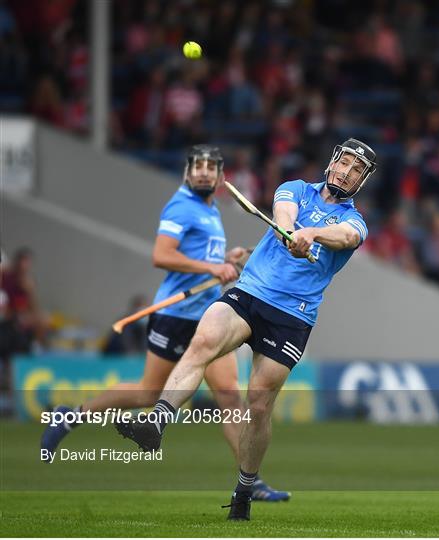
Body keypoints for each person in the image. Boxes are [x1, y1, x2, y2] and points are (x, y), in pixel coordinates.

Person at [116, 138, 377, 520]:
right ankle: (157, 420)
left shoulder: (355, 221)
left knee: (258, 405)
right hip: (250, 294)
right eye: (346, 163)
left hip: (292, 316)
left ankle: (244, 488)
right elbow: (283, 214)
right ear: (333, 162)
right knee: (202, 342)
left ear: (362, 181)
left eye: (357, 170)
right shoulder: (296, 190)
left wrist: (315, 235)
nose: (347, 172)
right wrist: (293, 232)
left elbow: (348, 237)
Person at [41, 144, 290, 502]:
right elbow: (162, 255)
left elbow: (199, 256)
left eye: (211, 167)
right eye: (198, 166)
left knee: (229, 396)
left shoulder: (210, 208)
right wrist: (211, 268)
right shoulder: (181, 206)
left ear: (220, 176)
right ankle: (71, 415)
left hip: (210, 315)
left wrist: (224, 258)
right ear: (187, 172)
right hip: (175, 316)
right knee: (148, 394)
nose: (204, 172)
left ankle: (250, 482)